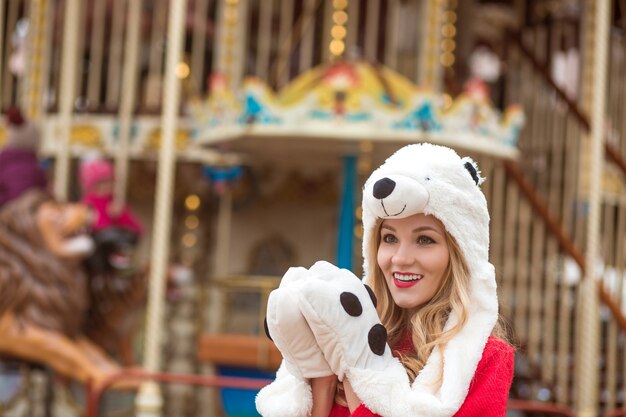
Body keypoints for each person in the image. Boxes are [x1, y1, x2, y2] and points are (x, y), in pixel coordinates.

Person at [257, 143, 515, 417]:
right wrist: (323, 377)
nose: (400, 258)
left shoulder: (485, 358)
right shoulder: (339, 328)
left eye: (424, 240)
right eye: (389, 238)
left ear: (459, 252)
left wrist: (360, 373)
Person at [79, 154, 143, 236]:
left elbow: (137, 229)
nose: (107, 186)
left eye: (109, 182)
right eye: (102, 183)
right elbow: (97, 230)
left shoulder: (114, 202)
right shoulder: (86, 204)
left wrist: (121, 216)